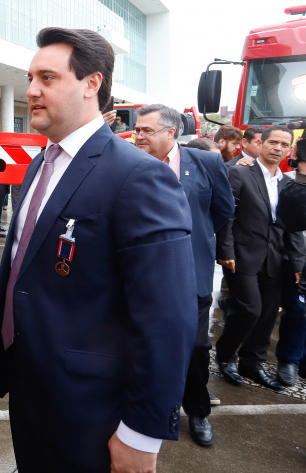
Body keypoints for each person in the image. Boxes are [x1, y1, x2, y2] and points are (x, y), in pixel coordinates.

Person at [0, 27, 196, 472]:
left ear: (92, 84)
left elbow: (167, 316)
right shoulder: (39, 165)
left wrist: (141, 434)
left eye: (47, 78)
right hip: (30, 387)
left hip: (91, 409)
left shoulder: (138, 176)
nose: (31, 90)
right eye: (30, 78)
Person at [134, 104, 234, 448]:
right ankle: (147, 408)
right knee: (142, 344)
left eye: (147, 131)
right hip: (142, 273)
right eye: (138, 129)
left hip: (192, 273)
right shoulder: (132, 164)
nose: (138, 135)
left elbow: (223, 209)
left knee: (194, 346)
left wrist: (196, 240)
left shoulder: (206, 162)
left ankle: (198, 410)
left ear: (170, 133)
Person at [215, 126, 305, 392]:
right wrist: (226, 251)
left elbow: (293, 226)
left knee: (267, 314)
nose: (278, 148)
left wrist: (298, 263)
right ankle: (226, 354)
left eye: (284, 144)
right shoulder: (240, 172)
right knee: (250, 308)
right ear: (261, 144)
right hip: (242, 255)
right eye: (273, 142)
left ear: (290, 150)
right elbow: (226, 216)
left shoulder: (289, 183)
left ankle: (251, 364)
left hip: (276, 258)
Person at [272, 134, 306, 387]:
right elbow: (293, 227)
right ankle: (289, 360)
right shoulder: (291, 185)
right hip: (300, 260)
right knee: (298, 311)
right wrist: (297, 263)